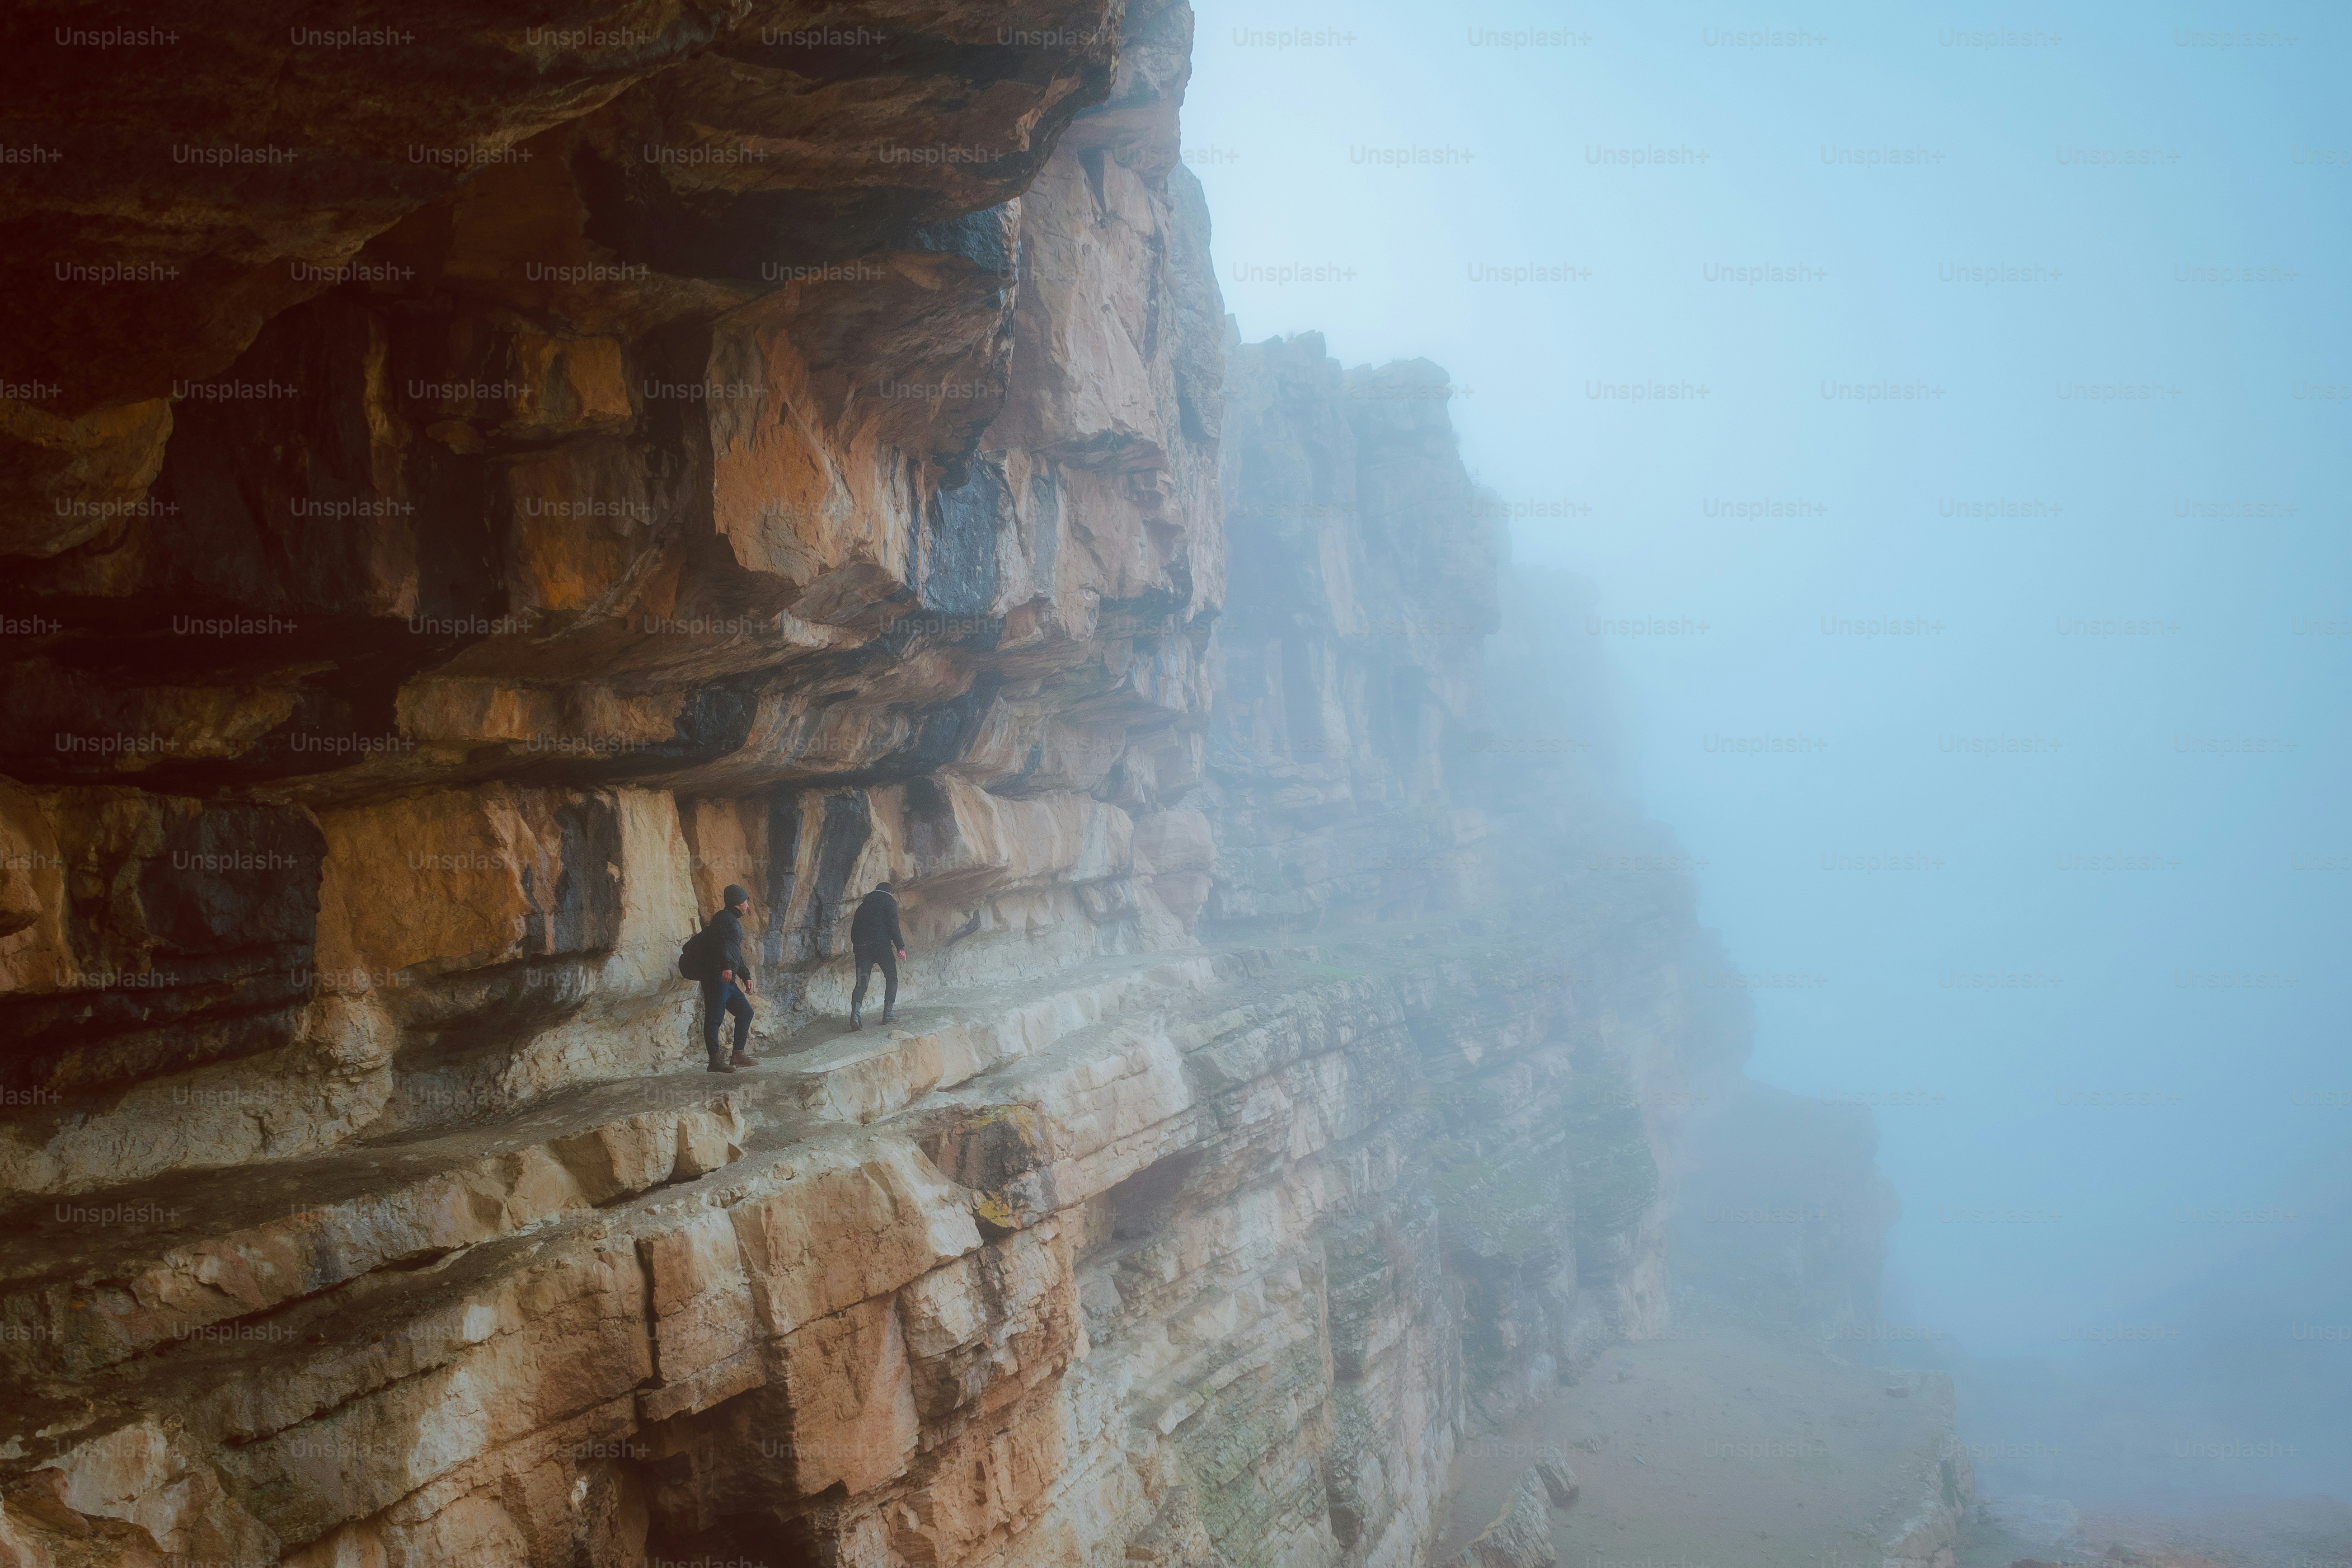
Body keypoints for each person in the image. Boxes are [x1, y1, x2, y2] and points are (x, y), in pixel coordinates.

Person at [702, 884, 758, 1072]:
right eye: (746, 902)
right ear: (738, 903)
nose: (748, 906)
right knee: (714, 1018)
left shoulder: (730, 920)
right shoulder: (722, 919)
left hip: (728, 980)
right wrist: (726, 966)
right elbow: (717, 944)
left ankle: (738, 1055)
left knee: (745, 1012)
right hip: (718, 978)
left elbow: (735, 953)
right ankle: (714, 1061)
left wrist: (745, 976)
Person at [848, 881, 908, 1030]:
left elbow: (854, 929)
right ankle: (888, 1015)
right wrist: (900, 947)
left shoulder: (862, 907)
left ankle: (855, 1016)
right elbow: (893, 925)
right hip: (882, 948)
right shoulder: (889, 902)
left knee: (861, 983)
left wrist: (858, 948)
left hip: (863, 950)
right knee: (892, 978)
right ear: (890, 892)